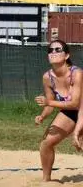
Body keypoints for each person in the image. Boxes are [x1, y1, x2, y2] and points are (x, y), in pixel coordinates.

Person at [35, 39, 81, 182]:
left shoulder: (77, 73)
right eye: (50, 50)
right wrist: (42, 116)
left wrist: (49, 102)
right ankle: (46, 180)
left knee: (80, 142)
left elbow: (75, 103)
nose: (53, 52)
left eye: (57, 50)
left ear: (66, 55)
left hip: (80, 108)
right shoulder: (47, 77)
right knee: (46, 143)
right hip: (70, 112)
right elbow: (50, 104)